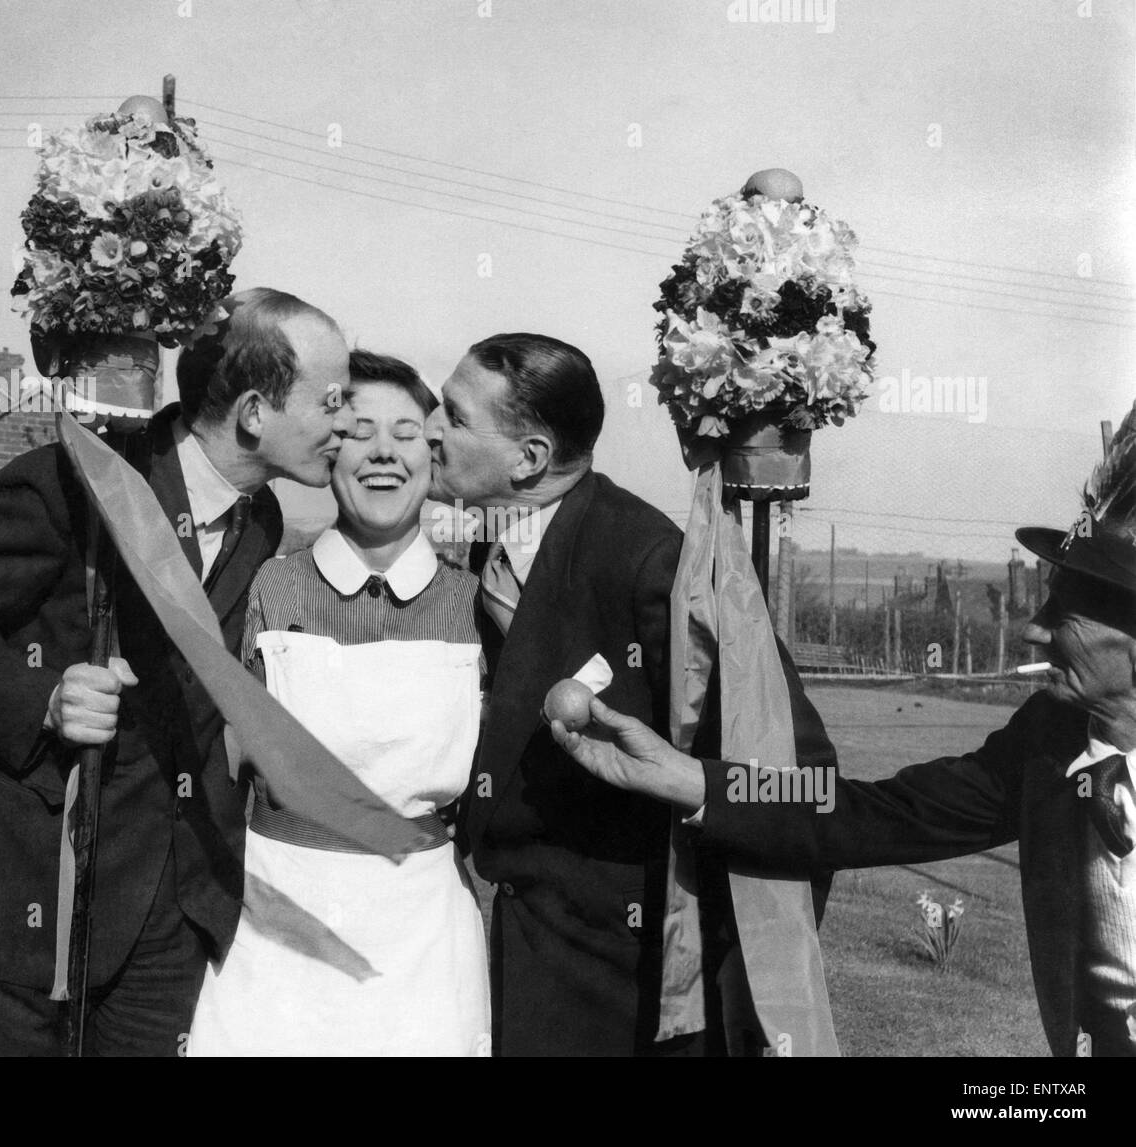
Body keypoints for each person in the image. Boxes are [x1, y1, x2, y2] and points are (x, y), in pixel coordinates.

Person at [552, 410, 1136, 1057]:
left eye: (1065, 613)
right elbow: (871, 814)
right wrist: (690, 779)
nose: (1033, 629)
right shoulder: (1049, 740)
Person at [0, 287, 356, 1056]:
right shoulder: (70, 484)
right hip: (30, 901)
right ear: (256, 412)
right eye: (332, 399)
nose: (348, 422)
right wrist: (44, 697)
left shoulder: (264, 521)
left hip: (169, 922)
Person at [424, 331, 836, 1056]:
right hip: (527, 949)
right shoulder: (497, 541)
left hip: (626, 980)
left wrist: (730, 971)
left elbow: (789, 759)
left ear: (530, 459)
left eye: (453, 417)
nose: (428, 430)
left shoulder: (647, 561)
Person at [187, 350, 490, 1057]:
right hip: (276, 929)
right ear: (330, 451)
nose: (384, 451)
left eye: (407, 432)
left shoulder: (478, 605)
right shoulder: (269, 588)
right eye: (358, 430)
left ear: (434, 452)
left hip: (423, 945)